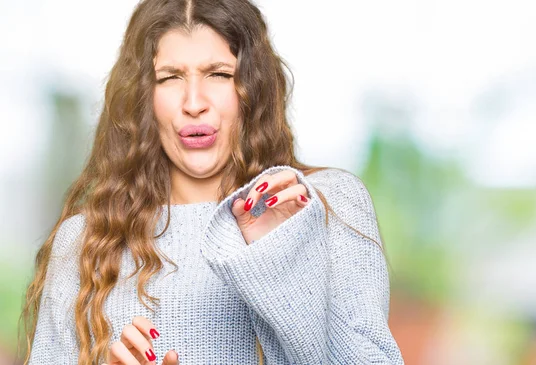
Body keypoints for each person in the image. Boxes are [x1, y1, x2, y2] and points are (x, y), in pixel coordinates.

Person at [20, 0, 404, 364]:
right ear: (142, 97)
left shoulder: (322, 204)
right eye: (169, 78)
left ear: (252, 88)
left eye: (218, 74)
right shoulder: (85, 241)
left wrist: (276, 256)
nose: (193, 102)